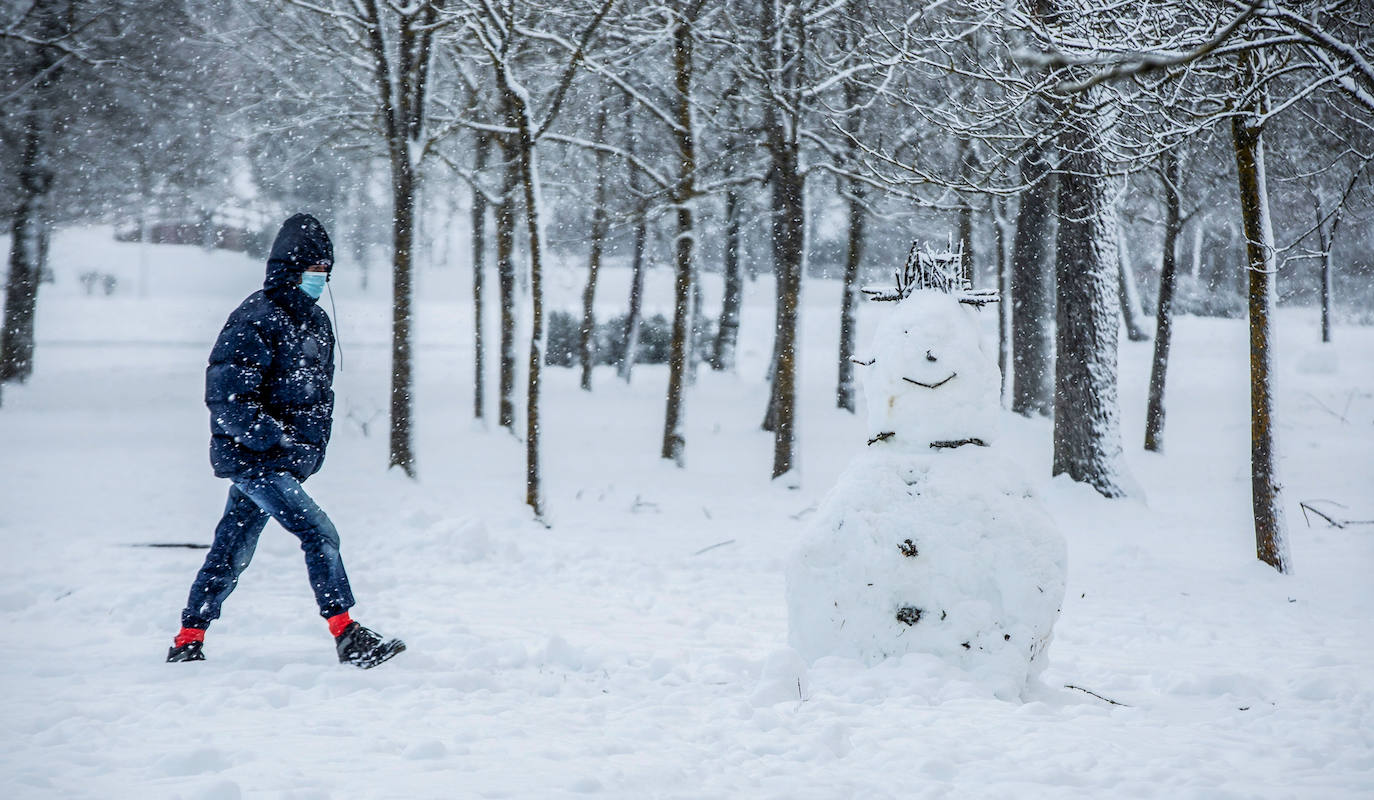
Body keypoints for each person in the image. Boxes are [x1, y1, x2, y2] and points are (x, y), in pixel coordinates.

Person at [167, 213, 404, 669]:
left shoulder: (316, 323)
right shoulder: (255, 319)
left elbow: (319, 396)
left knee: (230, 549)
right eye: (313, 269)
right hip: (255, 459)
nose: (320, 278)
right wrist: (275, 441)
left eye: (325, 271)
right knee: (319, 533)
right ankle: (347, 634)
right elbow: (227, 396)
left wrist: (307, 451)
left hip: (284, 462)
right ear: (288, 269)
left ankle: (187, 638)